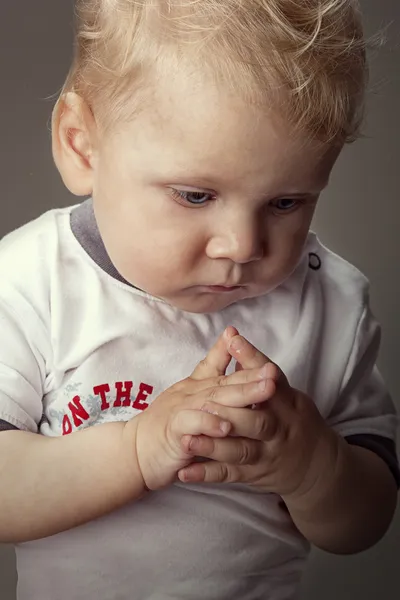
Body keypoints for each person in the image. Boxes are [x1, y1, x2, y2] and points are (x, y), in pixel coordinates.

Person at [0, 1, 398, 599]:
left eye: (286, 202)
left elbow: (365, 521)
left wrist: (314, 466)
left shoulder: (330, 303)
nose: (241, 245)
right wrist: (138, 449)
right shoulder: (33, 281)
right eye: (194, 195)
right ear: (82, 146)